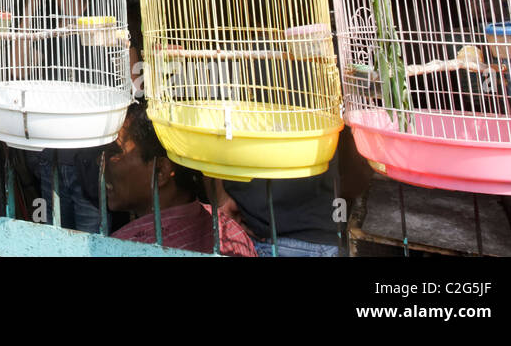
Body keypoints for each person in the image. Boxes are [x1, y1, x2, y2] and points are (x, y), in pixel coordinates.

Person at [106, 100, 258, 256]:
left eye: (114, 152)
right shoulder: (231, 232)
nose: (101, 162)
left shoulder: (121, 248)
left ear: (161, 170)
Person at [212, 127, 371, 257]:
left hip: (245, 227)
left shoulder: (230, 91)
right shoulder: (331, 92)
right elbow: (357, 177)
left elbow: (209, 139)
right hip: (317, 232)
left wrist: (221, 199)